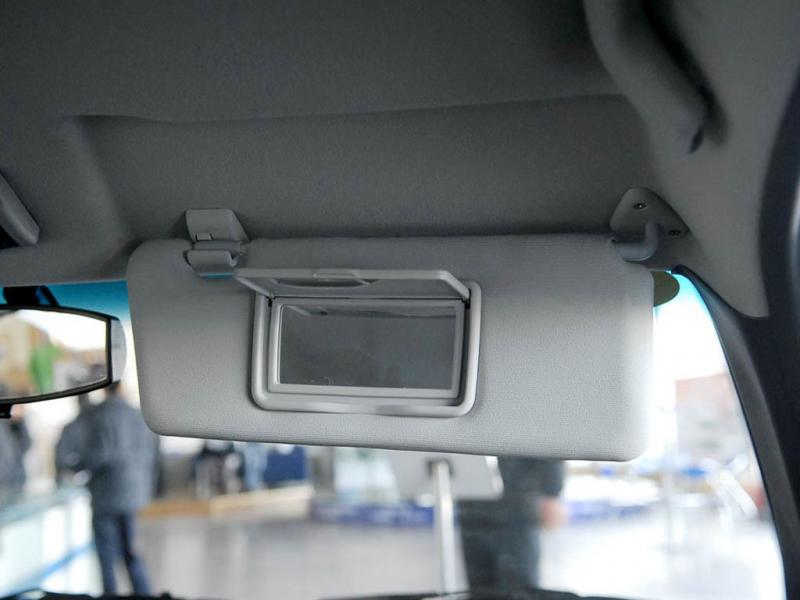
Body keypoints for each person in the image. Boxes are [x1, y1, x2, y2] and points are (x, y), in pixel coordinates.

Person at [56, 384, 158, 596]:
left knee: (107, 556)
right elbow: (152, 454)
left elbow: (99, 454)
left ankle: (110, 594)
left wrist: (75, 467)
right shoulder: (139, 416)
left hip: (106, 495)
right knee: (132, 552)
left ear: (104, 389)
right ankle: (144, 594)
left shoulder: (99, 415)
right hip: (134, 494)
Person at [457, 458, 566, 590]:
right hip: (472, 510)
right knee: (479, 588)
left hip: (518, 508)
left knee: (520, 588)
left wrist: (552, 493)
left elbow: (549, 450)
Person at [0, 410, 31, 504]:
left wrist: (20, 422)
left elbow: (26, 445)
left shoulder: (9, 423)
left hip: (16, 485)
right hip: (4, 486)